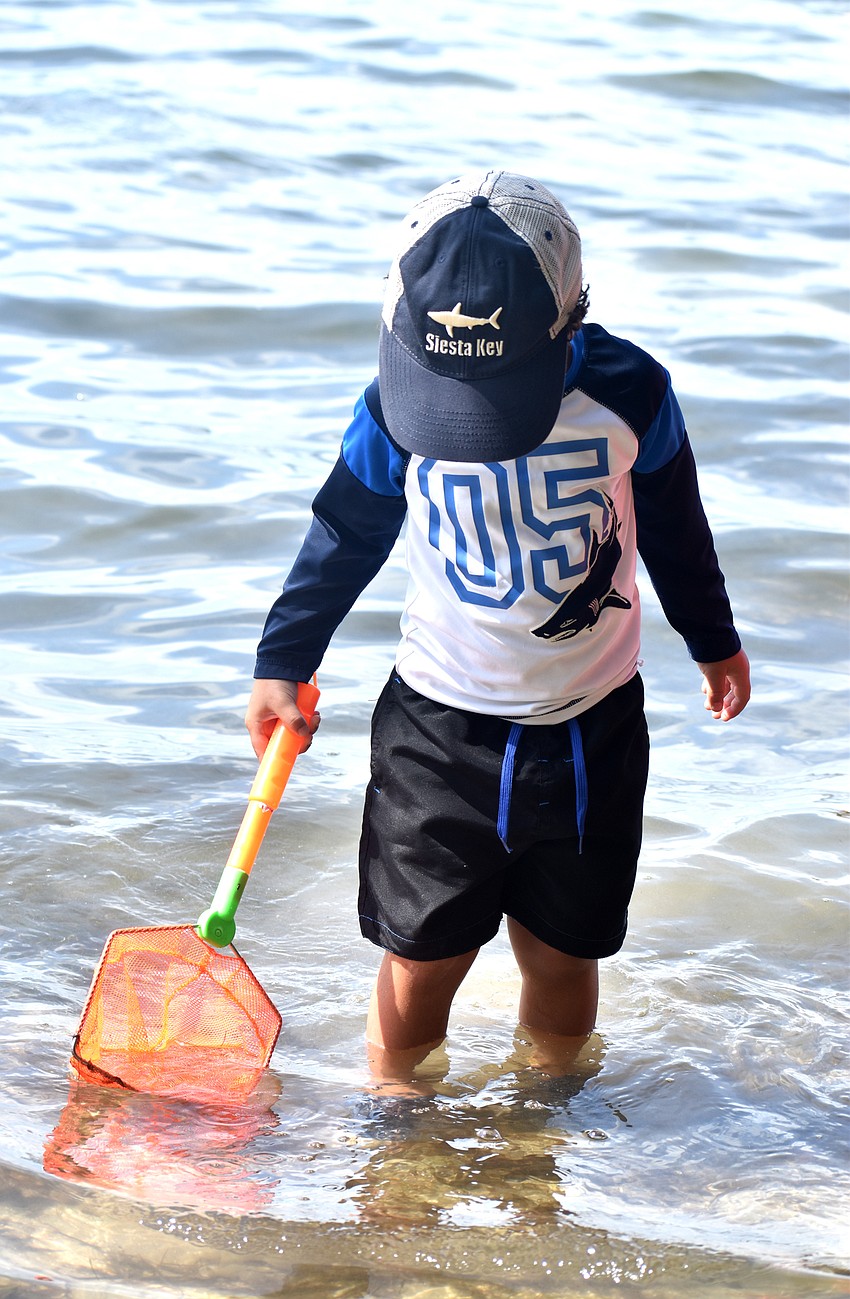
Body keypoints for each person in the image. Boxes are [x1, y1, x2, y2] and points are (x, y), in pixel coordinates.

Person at [245, 169, 751, 1077]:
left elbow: (677, 525)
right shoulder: (394, 405)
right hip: (437, 732)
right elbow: (346, 531)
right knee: (422, 957)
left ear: (570, 316)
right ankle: (397, 1120)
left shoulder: (631, 393)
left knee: (563, 952)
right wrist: (284, 657)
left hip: (592, 727)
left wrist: (712, 638)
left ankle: (545, 1125)